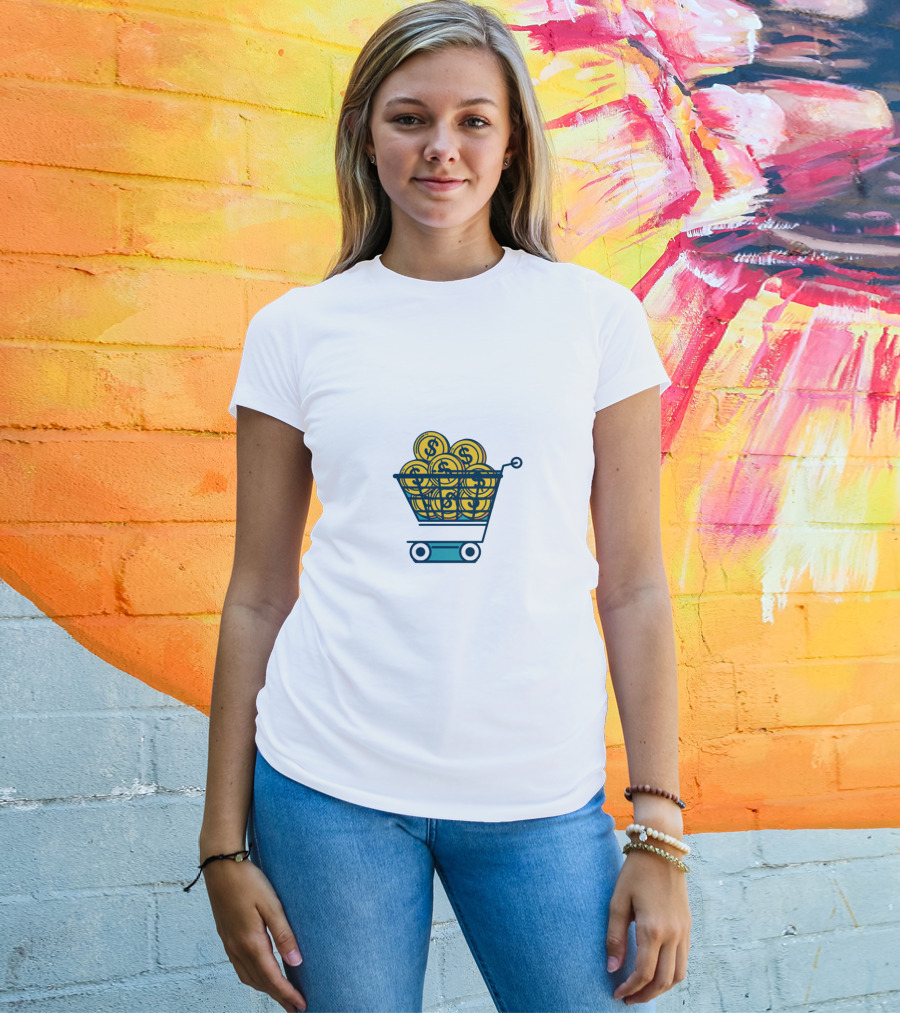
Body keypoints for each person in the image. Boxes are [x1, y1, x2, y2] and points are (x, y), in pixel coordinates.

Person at [194, 2, 692, 1010]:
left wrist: (658, 824)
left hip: (541, 793)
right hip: (327, 782)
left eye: (474, 120)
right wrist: (219, 845)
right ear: (366, 136)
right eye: (409, 118)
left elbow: (635, 585)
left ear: (512, 146)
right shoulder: (297, 331)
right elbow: (256, 594)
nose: (442, 149)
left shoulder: (594, 320)